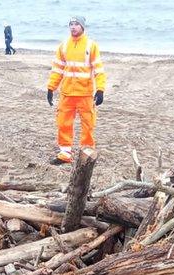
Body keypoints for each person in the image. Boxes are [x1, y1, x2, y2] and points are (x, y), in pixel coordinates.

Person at [46, 16, 105, 164]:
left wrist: (100, 89)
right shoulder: (64, 46)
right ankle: (65, 154)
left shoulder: (91, 46)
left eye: (76, 24)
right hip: (66, 93)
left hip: (85, 94)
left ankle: (86, 153)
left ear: (82, 27)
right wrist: (51, 87)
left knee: (88, 124)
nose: (73, 27)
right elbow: (57, 68)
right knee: (63, 123)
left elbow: (98, 69)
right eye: (71, 24)